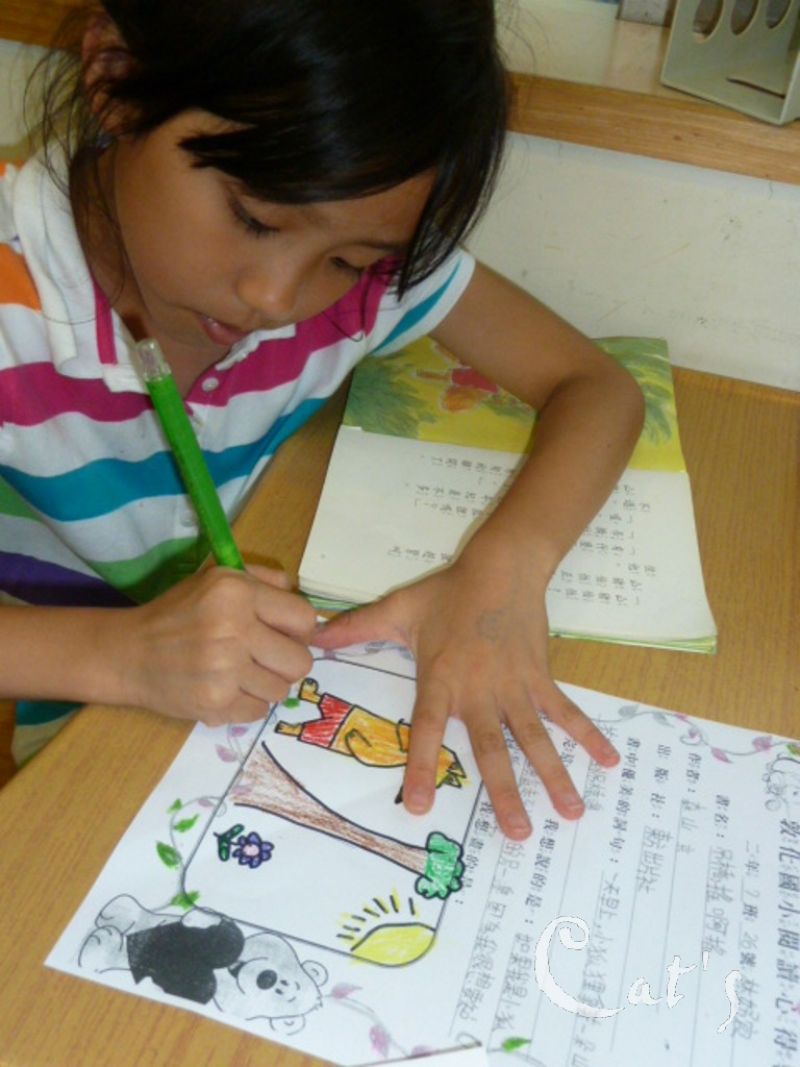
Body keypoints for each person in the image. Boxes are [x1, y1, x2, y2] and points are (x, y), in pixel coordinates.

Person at [0, 0, 643, 840]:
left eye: (345, 259)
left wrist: (505, 569)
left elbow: (597, 388)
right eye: (254, 218)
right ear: (115, 76)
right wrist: (122, 656)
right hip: (69, 731)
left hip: (215, 718)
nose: (275, 297)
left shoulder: (368, 284)